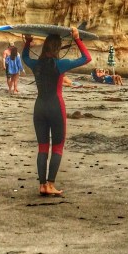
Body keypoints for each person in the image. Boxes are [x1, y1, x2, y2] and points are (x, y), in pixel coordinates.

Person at [22, 27, 91, 196]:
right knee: (58, 147)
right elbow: (86, 58)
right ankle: (50, 184)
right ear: (58, 47)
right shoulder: (61, 64)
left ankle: (42, 185)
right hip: (56, 108)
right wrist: (77, 38)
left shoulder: (35, 64)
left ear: (45, 46)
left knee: (42, 147)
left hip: (39, 108)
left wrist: (28, 42)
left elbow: (25, 57)